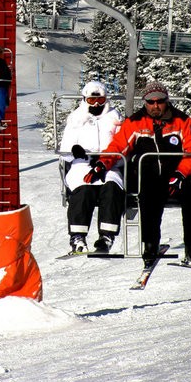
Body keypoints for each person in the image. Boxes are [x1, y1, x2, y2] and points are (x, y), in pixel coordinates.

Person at [96, 81, 191, 268]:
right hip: (149, 174)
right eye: (151, 101)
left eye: (160, 101)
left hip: (178, 174)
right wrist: (102, 163)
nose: (155, 106)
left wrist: (180, 174)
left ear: (166, 101)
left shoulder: (182, 121)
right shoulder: (136, 122)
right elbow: (118, 147)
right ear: (145, 102)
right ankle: (150, 244)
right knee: (148, 198)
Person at [59, 81, 125, 254]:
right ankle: (78, 237)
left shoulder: (114, 118)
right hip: (82, 164)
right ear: (84, 100)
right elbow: (65, 150)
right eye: (91, 100)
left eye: (100, 100)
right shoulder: (76, 118)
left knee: (112, 188)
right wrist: (75, 151)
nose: (96, 104)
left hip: (109, 165)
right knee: (83, 189)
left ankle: (107, 236)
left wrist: (110, 160)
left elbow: (123, 148)